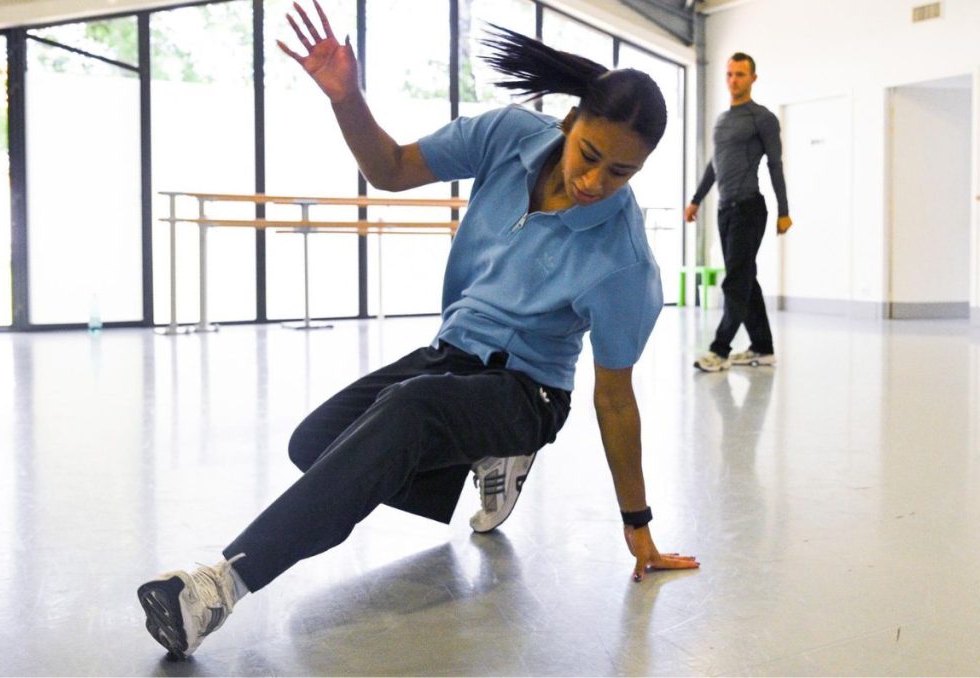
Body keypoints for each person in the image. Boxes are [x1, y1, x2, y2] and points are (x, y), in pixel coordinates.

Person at [137, 0, 698, 660]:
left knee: (408, 414)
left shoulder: (624, 259)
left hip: (530, 394)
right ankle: (483, 457)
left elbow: (614, 399)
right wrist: (347, 98)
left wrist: (639, 528)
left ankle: (215, 589)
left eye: (621, 172)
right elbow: (392, 169)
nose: (595, 182)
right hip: (448, 357)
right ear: (570, 121)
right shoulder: (510, 136)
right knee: (316, 443)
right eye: (591, 155)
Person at [686, 52, 792, 373]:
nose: (734, 80)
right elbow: (713, 165)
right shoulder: (722, 120)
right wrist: (696, 199)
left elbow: (775, 165)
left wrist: (783, 211)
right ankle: (763, 347)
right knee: (746, 278)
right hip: (724, 210)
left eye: (740, 75)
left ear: (753, 79)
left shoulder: (762, 118)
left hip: (749, 208)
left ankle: (719, 350)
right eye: (730, 74)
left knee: (735, 281)